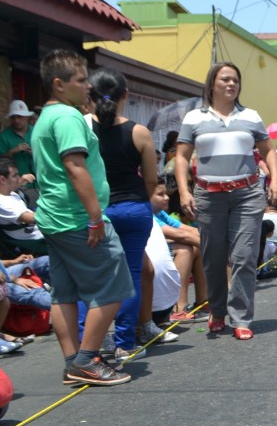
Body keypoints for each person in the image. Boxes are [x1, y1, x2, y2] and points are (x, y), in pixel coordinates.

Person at [32, 50, 134, 385]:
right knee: (114, 285)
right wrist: (94, 218)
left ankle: (74, 361)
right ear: (58, 84)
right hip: (77, 218)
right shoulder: (67, 117)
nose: (88, 85)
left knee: (65, 293)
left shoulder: (45, 117)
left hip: (53, 217)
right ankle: (87, 361)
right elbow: (75, 167)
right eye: (80, 80)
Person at [176, 62, 277, 341]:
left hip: (247, 194)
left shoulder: (251, 116)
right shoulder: (193, 118)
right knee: (212, 259)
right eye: (225, 79)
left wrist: (275, 181)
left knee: (244, 257)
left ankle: (241, 317)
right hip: (208, 196)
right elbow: (181, 157)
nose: (231, 84)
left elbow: (268, 151)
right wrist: (184, 192)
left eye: (235, 80)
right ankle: (217, 310)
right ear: (212, 84)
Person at [89, 67, 159, 362]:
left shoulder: (82, 129)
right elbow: (152, 180)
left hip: (97, 210)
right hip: (133, 208)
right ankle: (124, 343)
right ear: (125, 96)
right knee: (130, 274)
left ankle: (92, 344)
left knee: (93, 277)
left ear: (89, 96)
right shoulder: (139, 132)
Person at [150, 178, 208, 322]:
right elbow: (179, 234)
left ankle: (203, 302)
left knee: (196, 248)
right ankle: (178, 307)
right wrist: (214, 249)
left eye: (166, 193)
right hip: (148, 258)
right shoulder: (147, 214)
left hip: (159, 253)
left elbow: (190, 230)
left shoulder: (160, 213)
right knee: (185, 249)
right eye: (160, 194)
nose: (167, 197)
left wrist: (215, 240)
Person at [0, 158, 47, 256]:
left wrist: (20, 181)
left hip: (38, 230)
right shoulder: (1, 202)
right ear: (3, 179)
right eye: (15, 175)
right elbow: (31, 218)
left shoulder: (9, 193)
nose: (19, 177)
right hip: (36, 238)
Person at [0, 100, 37, 192]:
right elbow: (0, 162)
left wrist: (36, 153)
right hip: (17, 185)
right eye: (13, 117)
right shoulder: (3, 136)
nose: (16, 120)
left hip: (40, 182)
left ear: (27, 117)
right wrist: (12, 151)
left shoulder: (37, 131)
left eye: (20, 117)